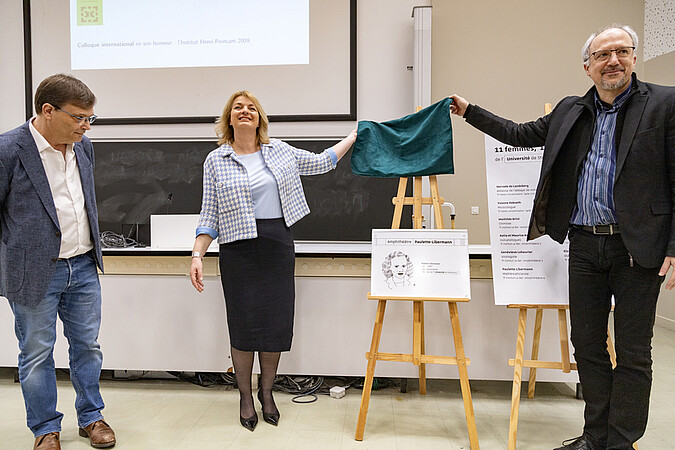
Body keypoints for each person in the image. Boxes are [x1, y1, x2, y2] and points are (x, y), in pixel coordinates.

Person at [449, 24, 675, 450]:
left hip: (636, 247)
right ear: (587, 66)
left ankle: (621, 441)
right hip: (585, 244)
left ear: (633, 56)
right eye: (603, 55)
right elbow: (519, 134)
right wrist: (470, 111)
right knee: (586, 344)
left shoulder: (664, 103)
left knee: (632, 351)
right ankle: (596, 435)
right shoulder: (572, 109)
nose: (613, 61)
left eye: (621, 52)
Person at [189, 90, 357, 431]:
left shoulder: (279, 151)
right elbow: (209, 214)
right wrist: (197, 253)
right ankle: (245, 397)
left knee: (274, 323)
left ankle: (267, 394)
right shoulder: (216, 160)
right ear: (229, 118)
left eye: (251, 107)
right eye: (238, 108)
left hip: (277, 244)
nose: (245, 111)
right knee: (243, 324)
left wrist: (354, 135)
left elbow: (322, 162)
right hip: (237, 248)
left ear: (260, 117)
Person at [0, 74, 115, 449]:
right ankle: (45, 428)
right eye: (79, 117)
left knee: (88, 346)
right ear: (47, 111)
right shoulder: (9, 150)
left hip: (81, 265)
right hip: (34, 271)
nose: (85, 126)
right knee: (36, 352)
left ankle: (91, 418)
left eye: (90, 118)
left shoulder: (83, 147)